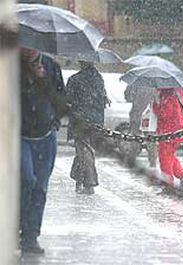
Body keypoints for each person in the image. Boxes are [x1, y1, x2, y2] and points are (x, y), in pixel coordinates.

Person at [20, 47, 69, 254]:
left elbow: (60, 97)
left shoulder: (50, 66)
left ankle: (31, 236)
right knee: (26, 179)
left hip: (45, 136)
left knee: (40, 187)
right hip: (19, 136)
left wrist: (56, 121)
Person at [67, 61, 109, 194]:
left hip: (80, 120)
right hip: (96, 121)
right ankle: (79, 180)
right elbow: (102, 99)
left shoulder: (75, 80)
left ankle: (89, 183)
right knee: (84, 151)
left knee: (84, 151)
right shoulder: (99, 79)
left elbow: (67, 99)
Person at [152, 87, 183, 188]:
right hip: (178, 129)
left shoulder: (167, 96)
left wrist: (155, 105)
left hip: (168, 132)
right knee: (170, 155)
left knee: (164, 157)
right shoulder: (179, 92)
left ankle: (168, 182)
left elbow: (165, 114)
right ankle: (182, 176)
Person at [124, 84, 157, 168]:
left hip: (137, 113)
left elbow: (127, 96)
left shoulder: (136, 82)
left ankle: (132, 159)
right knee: (151, 139)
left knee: (135, 137)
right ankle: (152, 161)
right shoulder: (156, 84)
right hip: (150, 116)